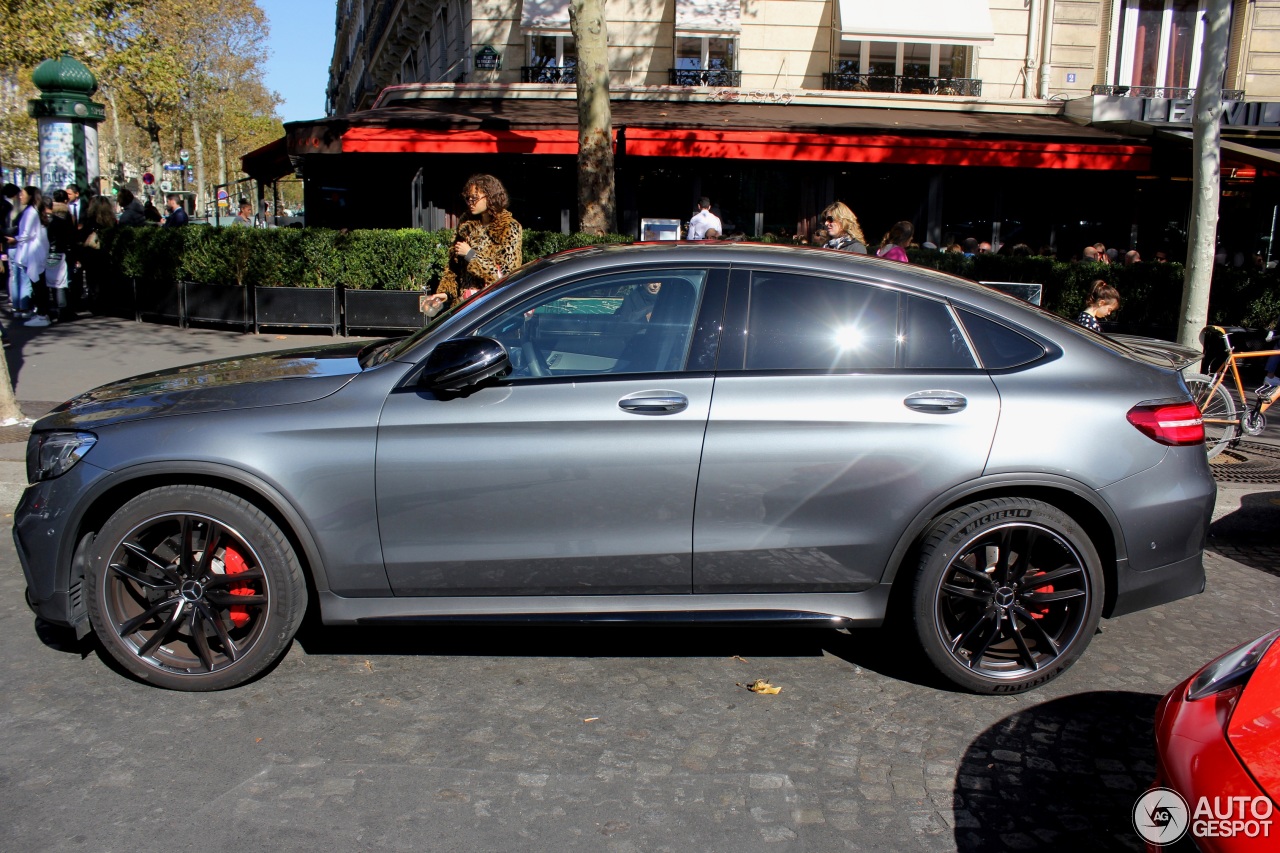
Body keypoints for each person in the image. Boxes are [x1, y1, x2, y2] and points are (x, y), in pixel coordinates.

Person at [424, 173, 522, 313]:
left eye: (474, 198)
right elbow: (453, 268)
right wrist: (446, 293)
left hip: (493, 307)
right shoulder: (466, 225)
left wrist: (471, 255)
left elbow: (507, 277)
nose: (470, 202)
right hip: (465, 306)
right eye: (467, 198)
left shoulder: (508, 228)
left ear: (490, 197)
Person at [4, 186, 48, 318]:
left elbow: (26, 233)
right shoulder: (32, 211)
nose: (20, 197)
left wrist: (15, 239)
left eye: (23, 194)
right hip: (32, 251)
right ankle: (39, 312)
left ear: (30, 196)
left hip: (32, 252)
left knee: (36, 283)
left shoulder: (31, 212)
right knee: (34, 283)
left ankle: (41, 313)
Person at [78, 196, 117, 313]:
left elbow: (82, 235)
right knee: (104, 279)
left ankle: (95, 304)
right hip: (106, 254)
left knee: (92, 280)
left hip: (92, 254)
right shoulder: (111, 220)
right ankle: (106, 303)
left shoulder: (90, 220)